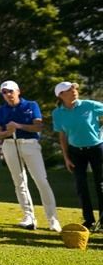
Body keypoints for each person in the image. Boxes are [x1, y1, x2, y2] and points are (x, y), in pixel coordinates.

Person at [0, 80, 60, 232]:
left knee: (41, 180)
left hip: (30, 144)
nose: (8, 94)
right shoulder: (1, 110)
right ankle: (29, 217)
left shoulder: (31, 105)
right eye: (4, 92)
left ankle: (53, 219)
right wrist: (7, 133)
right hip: (10, 145)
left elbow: (38, 126)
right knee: (19, 182)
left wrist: (19, 126)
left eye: (10, 91)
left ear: (18, 91)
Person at [51, 81, 103, 230]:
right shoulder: (58, 113)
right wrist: (66, 158)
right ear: (60, 95)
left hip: (96, 149)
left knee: (100, 185)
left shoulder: (88, 105)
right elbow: (63, 136)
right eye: (69, 89)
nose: (74, 90)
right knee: (81, 186)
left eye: (74, 88)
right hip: (76, 152)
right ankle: (89, 221)